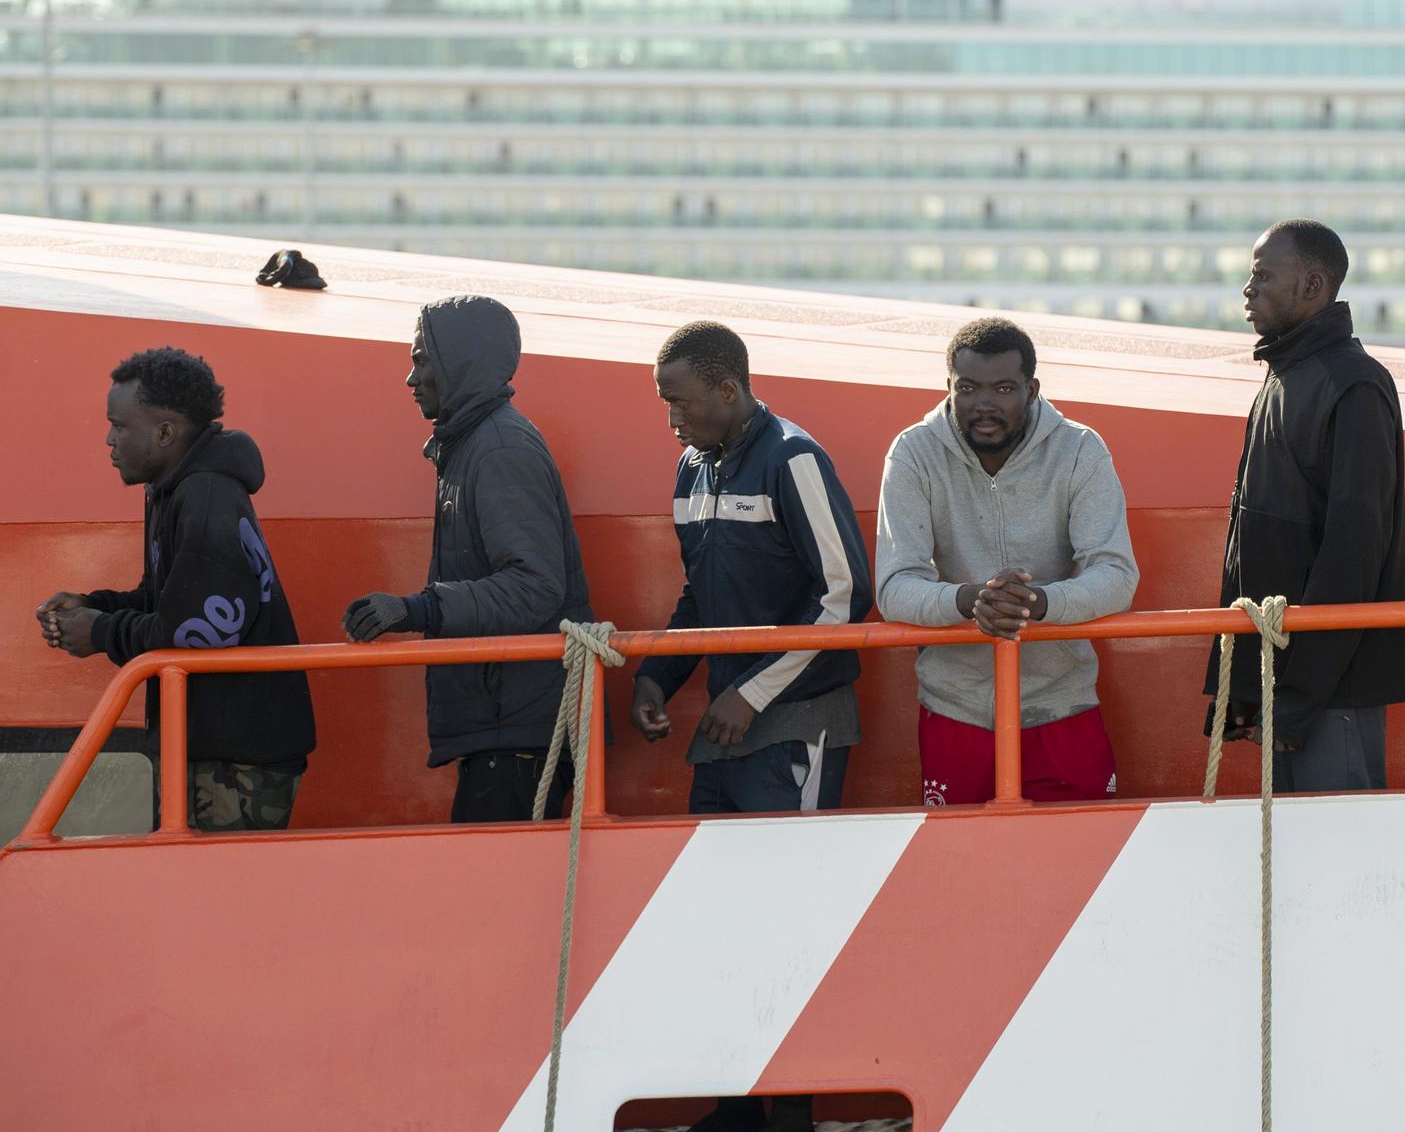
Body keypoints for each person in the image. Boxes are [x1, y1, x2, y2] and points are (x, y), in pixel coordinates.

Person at [632, 321, 871, 1132]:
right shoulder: (689, 469)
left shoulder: (794, 457)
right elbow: (698, 600)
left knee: (787, 921)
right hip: (729, 729)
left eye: (679, 401)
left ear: (727, 390)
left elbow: (844, 595)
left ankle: (788, 1113)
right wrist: (658, 678)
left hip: (794, 722)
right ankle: (743, 1106)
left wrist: (753, 693)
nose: (671, 420)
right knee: (727, 920)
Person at [36, 347, 315, 830]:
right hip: (213, 747)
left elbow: (194, 631)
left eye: (119, 425)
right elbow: (167, 597)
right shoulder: (174, 488)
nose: (108, 439)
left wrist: (101, 633)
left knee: (216, 900)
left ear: (165, 433)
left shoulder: (205, 496)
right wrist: (93, 606)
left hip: (238, 762)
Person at [342, 295, 593, 823]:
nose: (411, 379)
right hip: (510, 725)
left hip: (518, 731)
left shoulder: (500, 449)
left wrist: (417, 610)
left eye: (419, 359)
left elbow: (534, 586)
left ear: (457, 361)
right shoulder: (476, 442)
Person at [875, 317, 1138, 805]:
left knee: (1077, 863)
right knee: (957, 870)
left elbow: (1116, 574)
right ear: (948, 386)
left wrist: (1036, 603)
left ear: (1032, 389)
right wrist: (970, 600)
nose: (984, 405)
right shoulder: (913, 451)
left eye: (1003, 388)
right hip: (956, 710)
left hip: (1062, 706)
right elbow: (894, 586)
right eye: (968, 388)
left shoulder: (1080, 448)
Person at [1205, 219, 1405, 792]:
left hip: (1330, 692)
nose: (1248, 290)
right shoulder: (1283, 376)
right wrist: (1252, 690)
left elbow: (1355, 550)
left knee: (1339, 863)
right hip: (1288, 687)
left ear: (1313, 284)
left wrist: (1296, 697)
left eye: (1262, 275)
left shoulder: (1353, 384)